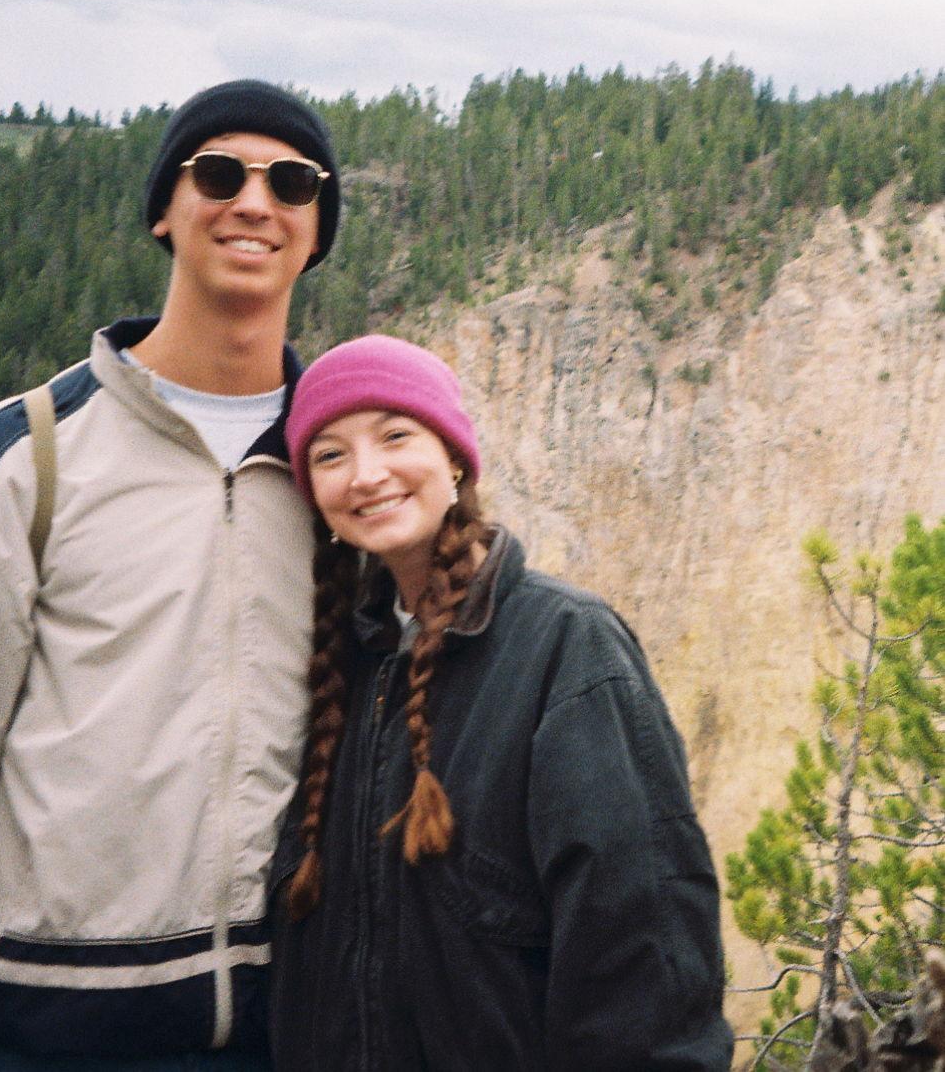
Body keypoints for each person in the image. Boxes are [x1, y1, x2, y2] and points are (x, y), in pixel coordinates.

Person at [0, 80, 340, 1071]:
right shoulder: (24, 460)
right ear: (162, 211)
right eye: (218, 173)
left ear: (316, 231)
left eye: (293, 183)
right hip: (50, 1036)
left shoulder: (340, 473)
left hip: (292, 1030)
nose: (255, 203)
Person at [270, 335, 734, 1070]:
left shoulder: (565, 647)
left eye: (396, 436)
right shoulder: (348, 670)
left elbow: (641, 957)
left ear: (454, 458)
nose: (367, 474)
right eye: (329, 455)